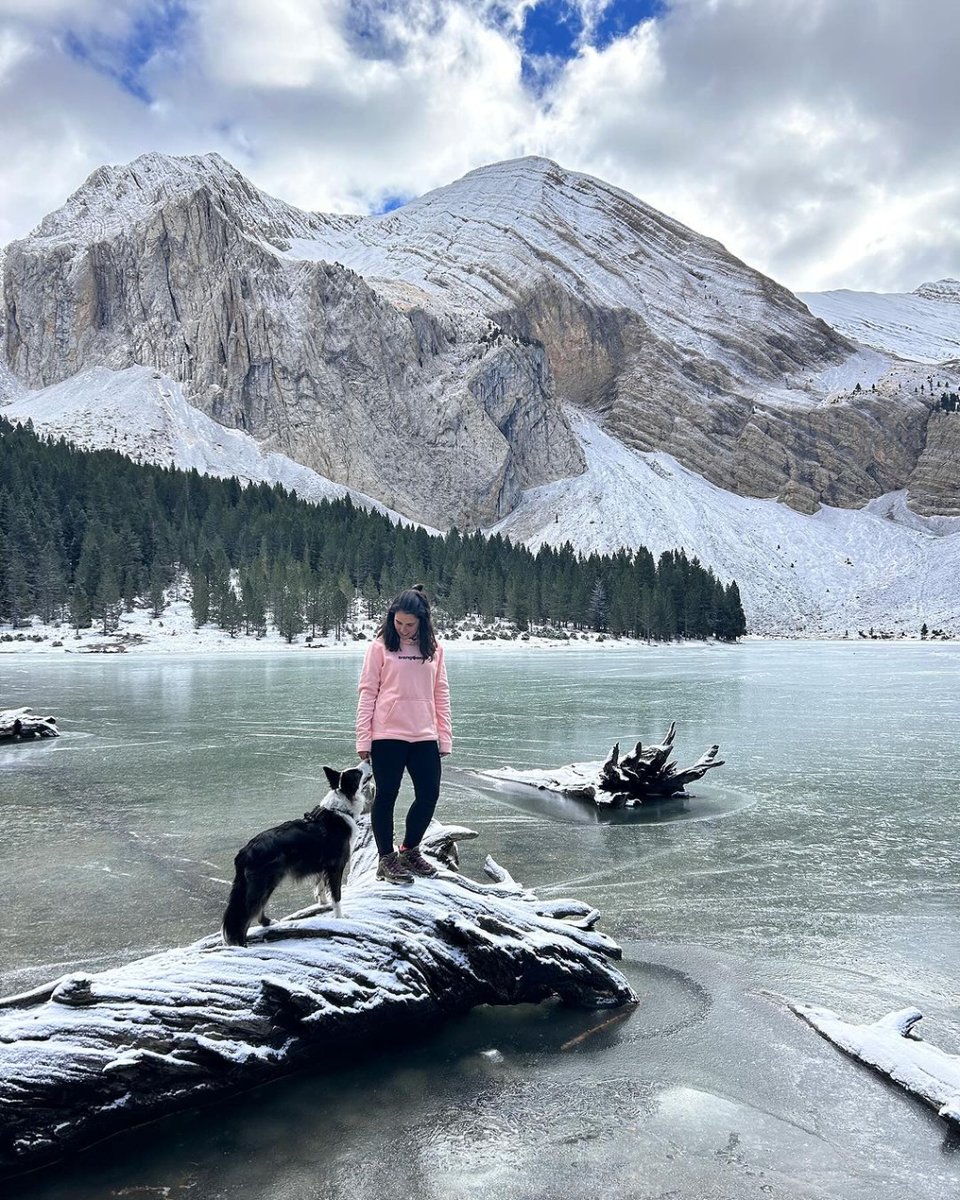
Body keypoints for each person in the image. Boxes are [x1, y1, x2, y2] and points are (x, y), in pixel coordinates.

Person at [356, 584, 452, 883]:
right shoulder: (380, 647)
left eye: (409, 624)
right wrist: (363, 737)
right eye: (398, 623)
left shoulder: (434, 650)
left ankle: (410, 850)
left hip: (424, 734)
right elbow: (368, 692)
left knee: (429, 795)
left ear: (422, 621)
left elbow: (441, 693)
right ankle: (386, 859)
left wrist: (444, 736)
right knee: (386, 795)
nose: (403, 629)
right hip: (387, 735)